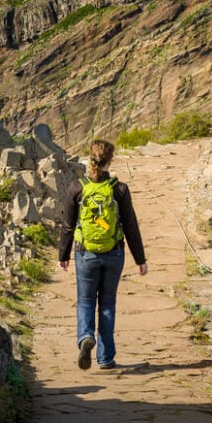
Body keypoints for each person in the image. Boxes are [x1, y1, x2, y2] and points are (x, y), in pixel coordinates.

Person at [58, 139, 148, 370]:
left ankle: (85, 337)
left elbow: (67, 225)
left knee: (86, 301)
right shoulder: (119, 189)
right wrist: (140, 260)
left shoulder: (77, 188)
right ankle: (106, 358)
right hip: (114, 253)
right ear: (110, 161)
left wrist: (63, 255)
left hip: (85, 253)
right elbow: (131, 226)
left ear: (90, 159)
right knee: (107, 304)